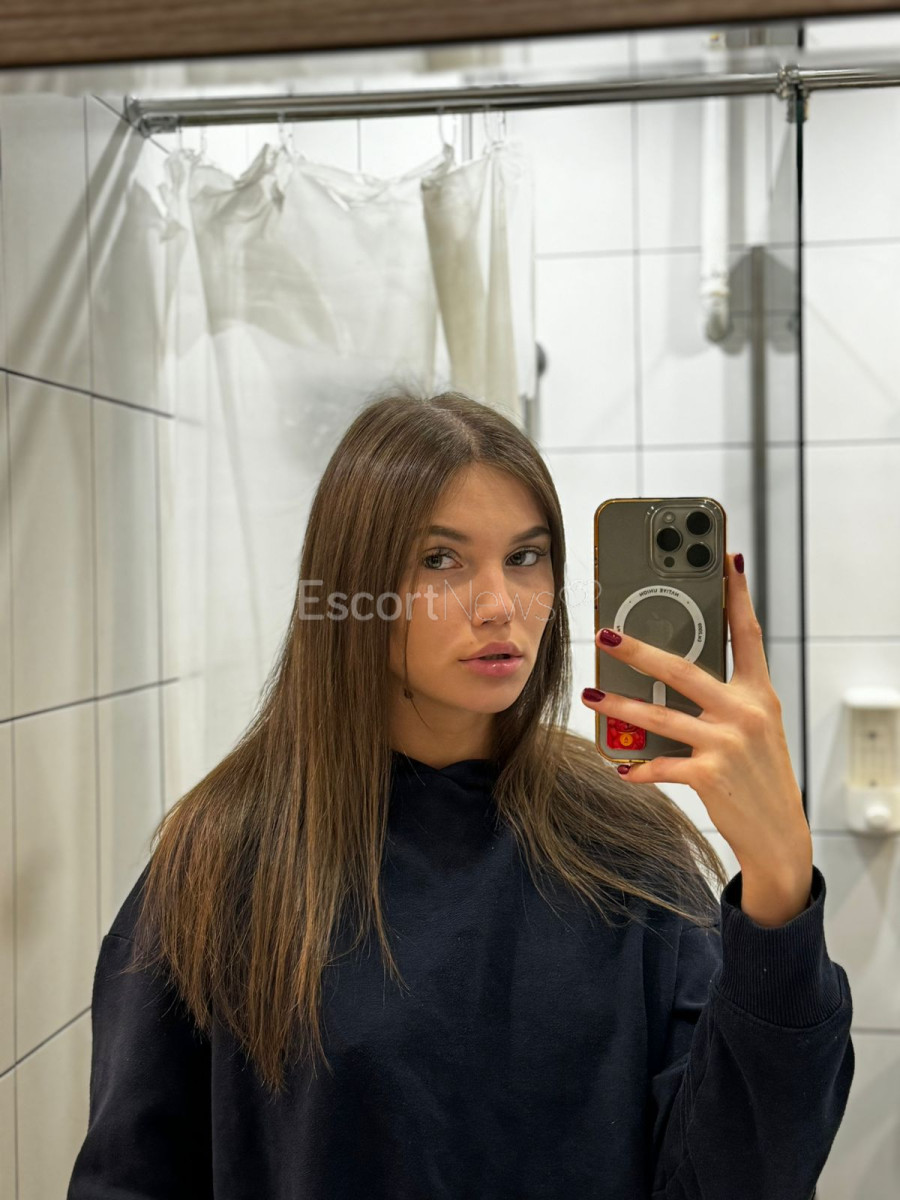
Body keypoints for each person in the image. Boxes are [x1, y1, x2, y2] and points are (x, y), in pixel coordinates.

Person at [68, 387, 854, 1200]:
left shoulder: (627, 848)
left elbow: (739, 1179)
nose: (499, 606)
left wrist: (778, 887)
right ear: (354, 588)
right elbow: (131, 1178)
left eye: (525, 557)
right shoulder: (224, 859)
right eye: (440, 560)